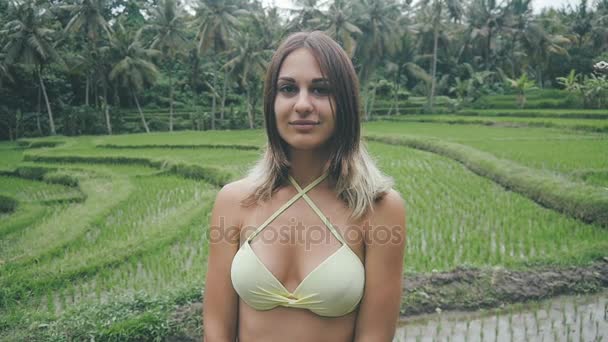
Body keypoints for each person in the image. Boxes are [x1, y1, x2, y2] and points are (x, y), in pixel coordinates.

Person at [203, 31, 406, 342]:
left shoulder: (378, 208)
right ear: (272, 102)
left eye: (321, 90)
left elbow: (374, 336)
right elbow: (217, 326)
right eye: (287, 89)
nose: (302, 105)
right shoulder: (233, 202)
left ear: (347, 103)